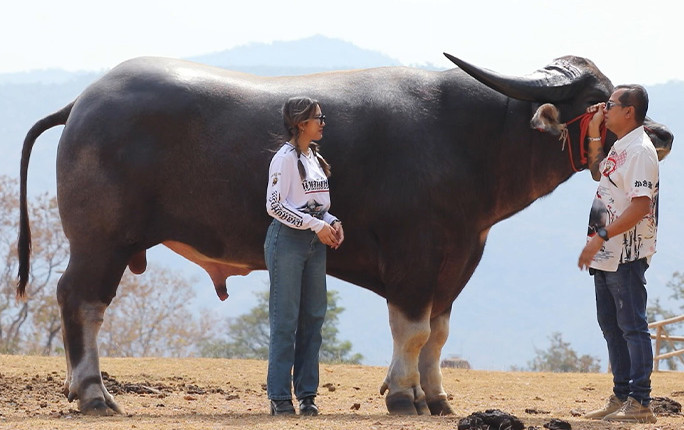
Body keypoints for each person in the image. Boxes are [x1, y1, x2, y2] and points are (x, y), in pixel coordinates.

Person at [578, 85, 659, 424]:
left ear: (629, 111)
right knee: (611, 326)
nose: (604, 108)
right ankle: (621, 395)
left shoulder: (640, 151)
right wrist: (595, 132)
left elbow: (641, 206)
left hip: (625, 253)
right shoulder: (622, 147)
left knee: (632, 326)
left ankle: (640, 402)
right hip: (607, 253)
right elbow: (600, 173)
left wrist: (600, 235)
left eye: (610, 105)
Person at [264, 96, 344, 416]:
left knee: (313, 319)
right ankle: (279, 396)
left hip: (313, 243)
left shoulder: (313, 157)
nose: (323, 123)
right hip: (287, 243)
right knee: (285, 320)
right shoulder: (284, 158)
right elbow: (275, 205)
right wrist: (315, 224)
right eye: (318, 118)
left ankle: (308, 395)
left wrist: (332, 222)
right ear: (301, 123)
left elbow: (314, 205)